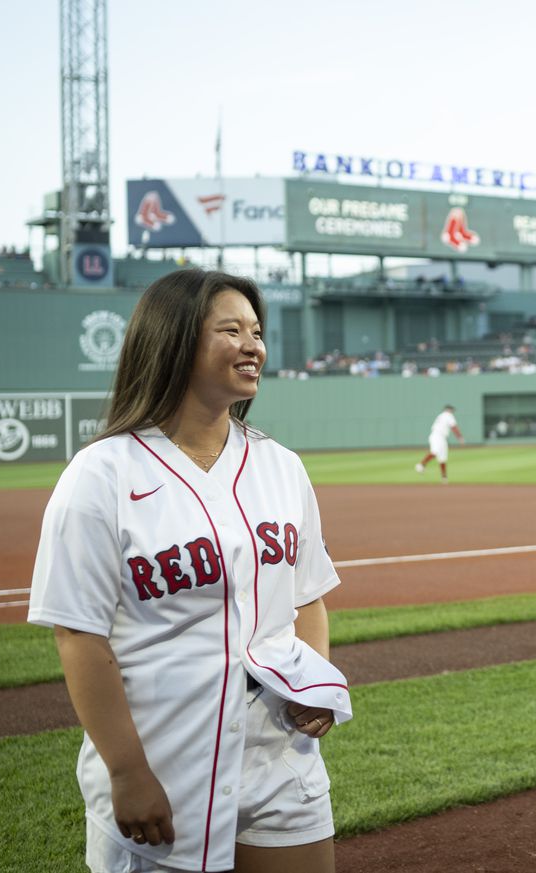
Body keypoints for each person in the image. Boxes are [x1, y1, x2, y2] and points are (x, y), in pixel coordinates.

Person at [28, 269, 352, 873]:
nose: (253, 344)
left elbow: (308, 599)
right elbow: (78, 634)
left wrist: (313, 687)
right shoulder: (102, 474)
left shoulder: (280, 466)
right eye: (230, 330)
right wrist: (127, 773)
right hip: (163, 757)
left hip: (279, 755)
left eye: (256, 331)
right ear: (174, 341)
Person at [415, 404, 463, 482]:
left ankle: (444, 478)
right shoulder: (448, 415)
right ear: (449, 410)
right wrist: (459, 437)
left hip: (441, 437)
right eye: (452, 410)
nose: (452, 412)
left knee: (443, 458)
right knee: (435, 452)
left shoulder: (441, 416)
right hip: (437, 436)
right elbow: (454, 427)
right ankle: (421, 464)